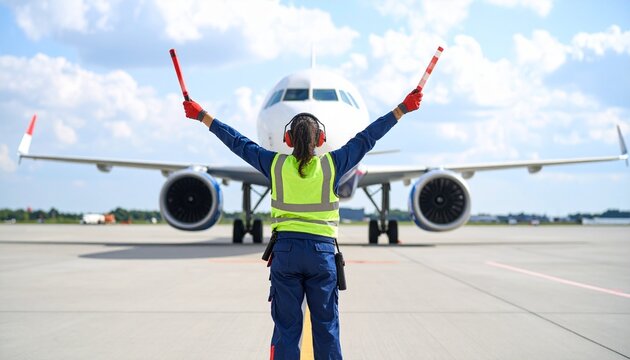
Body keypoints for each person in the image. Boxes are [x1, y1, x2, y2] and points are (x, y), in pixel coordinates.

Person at [182, 87, 423, 360]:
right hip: (322, 256)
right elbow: (368, 138)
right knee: (326, 328)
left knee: (286, 329)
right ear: (320, 139)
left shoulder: (274, 165)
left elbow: (237, 142)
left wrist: (202, 115)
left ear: (287, 139)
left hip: (285, 254)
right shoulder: (333, 165)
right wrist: (401, 109)